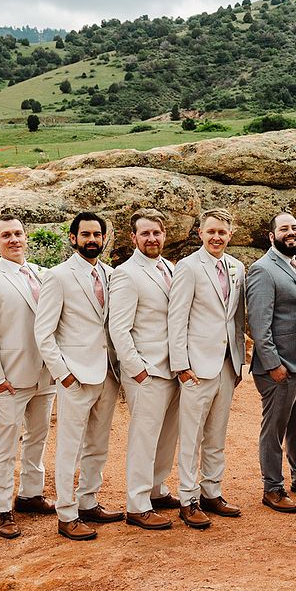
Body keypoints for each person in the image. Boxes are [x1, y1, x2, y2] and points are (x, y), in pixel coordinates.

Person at [34, 211, 123, 540]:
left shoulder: (113, 275)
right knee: (69, 447)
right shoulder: (58, 277)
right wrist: (64, 375)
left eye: (97, 235)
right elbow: (43, 333)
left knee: (98, 444)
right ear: (73, 238)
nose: (92, 240)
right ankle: (66, 513)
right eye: (85, 235)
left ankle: (89, 501)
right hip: (75, 376)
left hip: (108, 374)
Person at [0, 215, 56, 540]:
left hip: (45, 374)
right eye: (6, 235)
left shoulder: (43, 274)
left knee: (38, 436)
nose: (13, 239)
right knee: (6, 444)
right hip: (9, 378)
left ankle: (30, 495)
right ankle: (3, 509)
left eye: (18, 233)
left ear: (26, 237)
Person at [168, 208, 246, 529]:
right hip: (196, 367)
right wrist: (181, 364)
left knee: (217, 434)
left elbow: (236, 316)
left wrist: (239, 360)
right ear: (200, 233)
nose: (216, 237)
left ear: (230, 235)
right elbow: (177, 317)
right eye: (211, 231)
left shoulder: (237, 267)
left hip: (228, 364)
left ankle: (212, 491)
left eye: (222, 232)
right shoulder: (187, 267)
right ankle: (188, 499)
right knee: (191, 435)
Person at [107, 208, 182, 531]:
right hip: (146, 371)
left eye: (157, 232)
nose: (152, 238)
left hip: (175, 368)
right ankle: (137, 504)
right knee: (144, 437)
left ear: (164, 235)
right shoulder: (126, 273)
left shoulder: (171, 268)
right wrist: (136, 369)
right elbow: (118, 327)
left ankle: (156, 488)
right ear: (134, 237)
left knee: (168, 435)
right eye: (146, 233)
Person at [246, 212, 296, 515]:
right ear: (271, 235)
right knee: (274, 428)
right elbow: (258, 324)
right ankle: (272, 487)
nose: (291, 232)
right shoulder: (263, 270)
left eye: (294, 227)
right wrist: (273, 363)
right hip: (280, 366)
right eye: (284, 228)